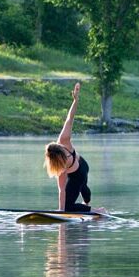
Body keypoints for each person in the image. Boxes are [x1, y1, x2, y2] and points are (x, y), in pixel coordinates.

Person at [44, 82, 100, 213]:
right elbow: (61, 190)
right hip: (82, 166)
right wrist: (60, 211)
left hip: (79, 172)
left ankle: (98, 211)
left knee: (71, 204)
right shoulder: (62, 150)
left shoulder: (64, 141)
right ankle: (87, 203)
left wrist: (62, 210)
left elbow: (71, 118)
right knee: (84, 190)